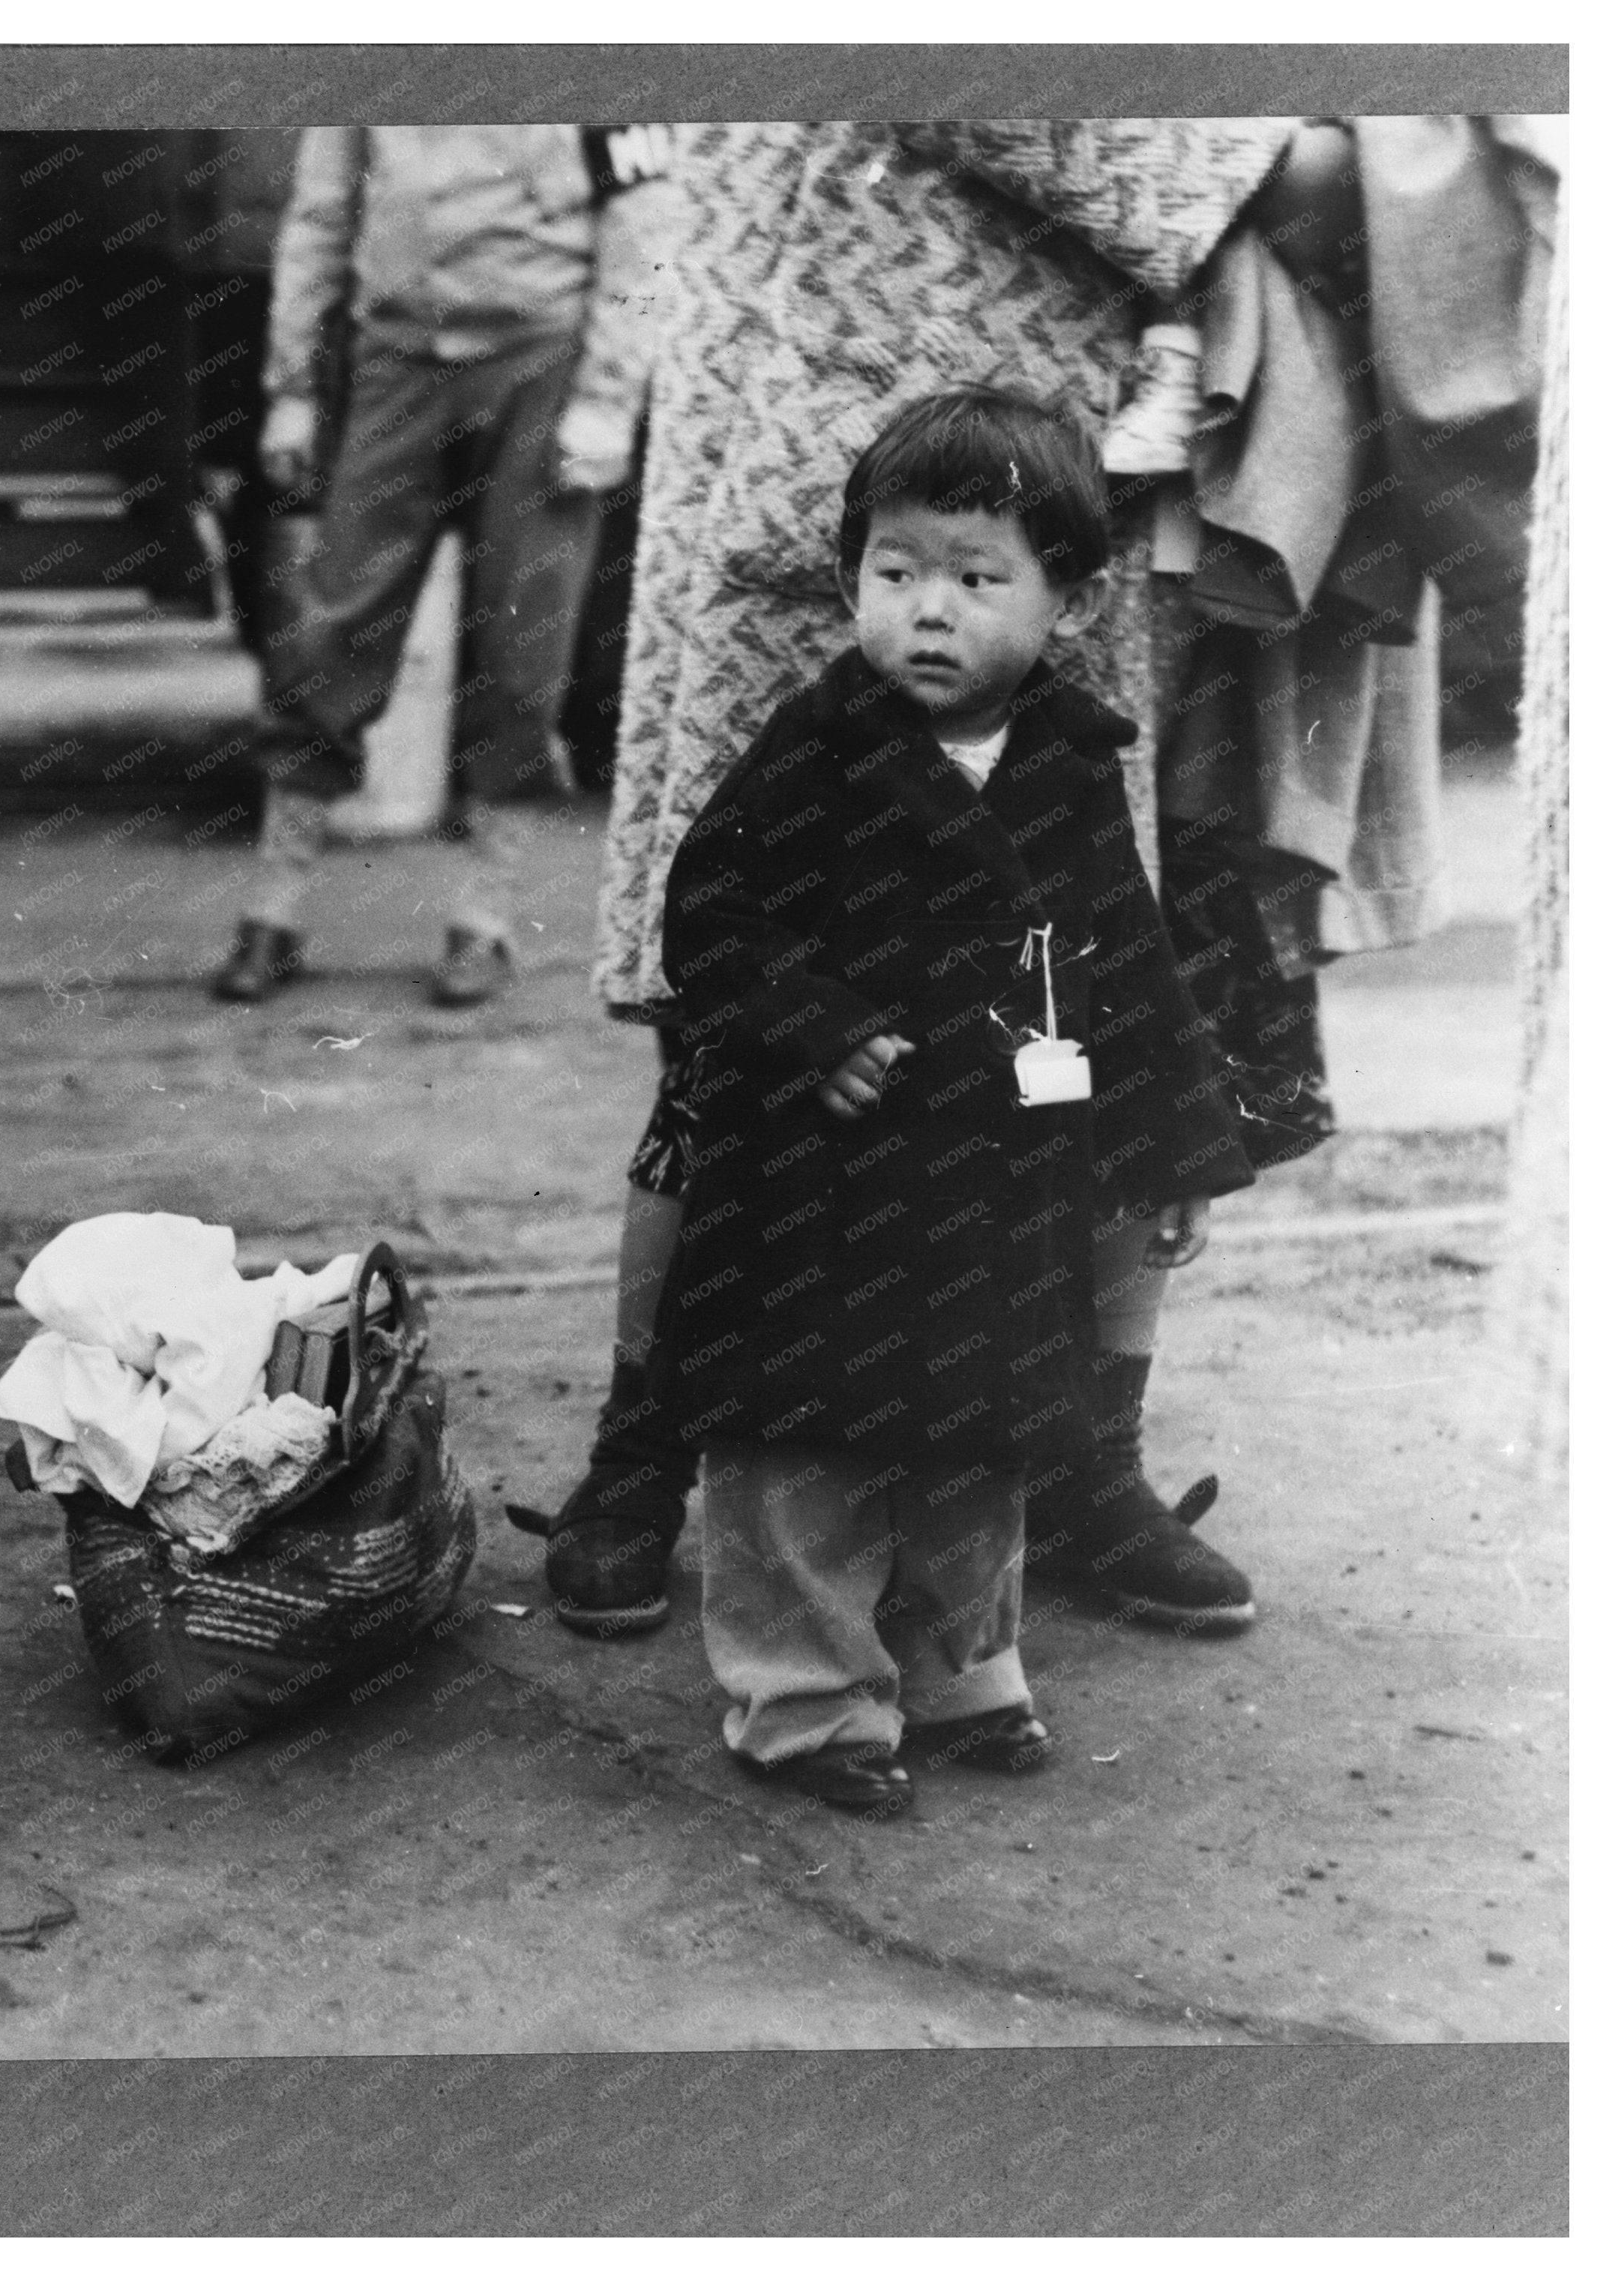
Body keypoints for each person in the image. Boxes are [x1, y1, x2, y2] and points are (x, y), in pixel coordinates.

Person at [532, 118, 1302, 1638]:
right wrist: (1296, 146)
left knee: (1063, 1006)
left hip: (1047, 461)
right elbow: (1081, 118)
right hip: (812, 419)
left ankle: (1078, 1459)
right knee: (736, 1039)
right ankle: (646, 1455)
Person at [656, 388, 1254, 1815]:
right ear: (851, 572)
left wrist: (1171, 1148)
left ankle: (959, 1664)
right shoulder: (816, 747)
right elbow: (712, 915)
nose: (929, 611)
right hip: (821, 1176)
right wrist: (816, 1025)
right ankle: (807, 1701)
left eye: (978, 579)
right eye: (894, 571)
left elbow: (1127, 958)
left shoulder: (1068, 761)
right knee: (802, 1440)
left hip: (994, 1178)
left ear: (1068, 599)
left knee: (979, 1431)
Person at [209, 125, 676, 1009]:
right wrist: (293, 389)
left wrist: (607, 401)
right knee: (331, 628)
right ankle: (274, 908)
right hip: (393, 360)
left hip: (543, 364)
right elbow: (318, 215)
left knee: (523, 647)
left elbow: (643, 222)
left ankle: (484, 919)